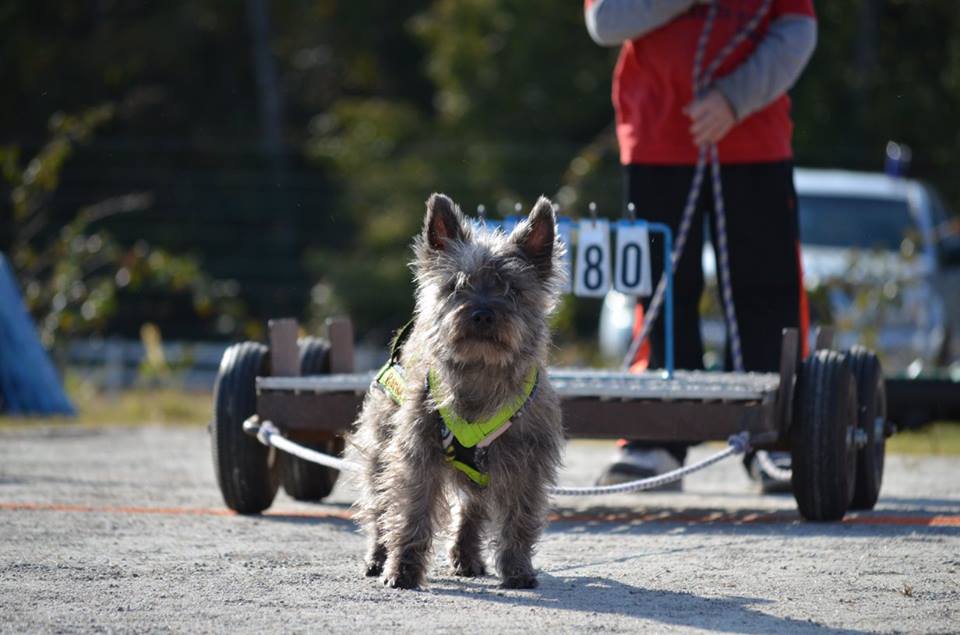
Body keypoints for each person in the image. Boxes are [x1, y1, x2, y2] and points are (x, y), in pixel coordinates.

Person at [584, 0, 817, 488]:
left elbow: (797, 31)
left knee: (766, 288)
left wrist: (735, 98)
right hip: (656, 138)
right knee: (663, 292)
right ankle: (658, 439)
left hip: (754, 140)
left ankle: (773, 440)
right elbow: (605, 21)